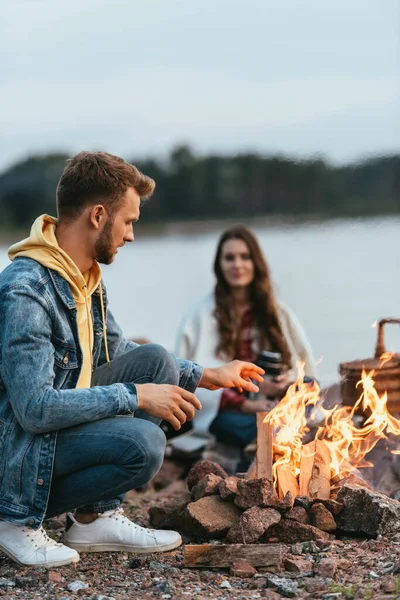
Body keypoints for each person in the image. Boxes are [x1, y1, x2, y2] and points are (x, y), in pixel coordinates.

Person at [0, 153, 264, 568]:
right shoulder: (26, 291)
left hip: (46, 436)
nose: (131, 235)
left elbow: (120, 351)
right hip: (14, 460)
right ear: (98, 215)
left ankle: (94, 518)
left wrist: (209, 374)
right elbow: (35, 409)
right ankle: (13, 519)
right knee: (144, 445)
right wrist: (135, 396)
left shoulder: (81, 277)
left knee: (156, 359)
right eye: (129, 221)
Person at [175, 225, 317, 472]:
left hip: (270, 402)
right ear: (219, 266)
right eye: (229, 258)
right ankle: (265, 446)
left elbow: (301, 364)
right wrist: (249, 405)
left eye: (244, 257)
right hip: (229, 411)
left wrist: (283, 383)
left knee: (308, 387)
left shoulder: (276, 311)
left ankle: (267, 442)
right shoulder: (200, 316)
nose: (237, 265)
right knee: (236, 424)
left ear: (255, 262)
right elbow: (190, 378)